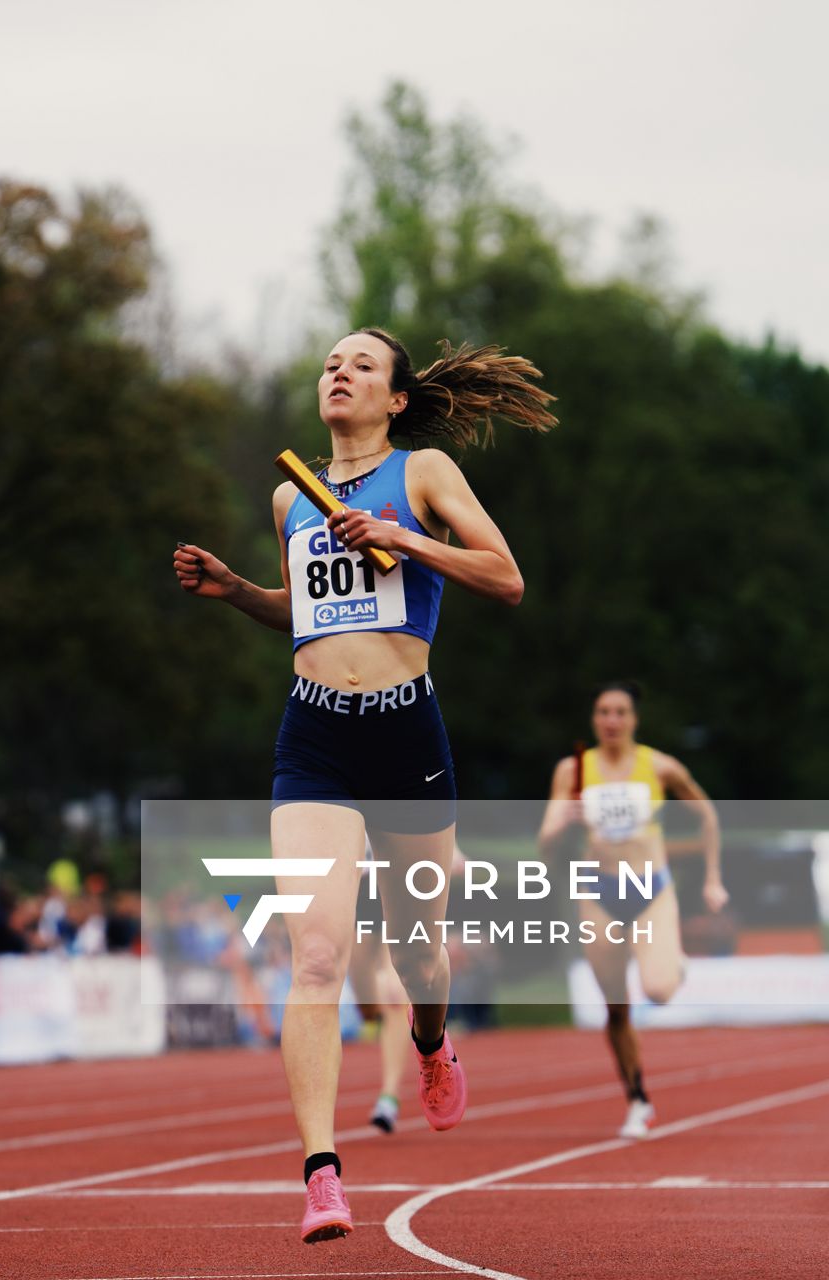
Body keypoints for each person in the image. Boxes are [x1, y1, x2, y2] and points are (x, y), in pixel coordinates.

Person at [174, 328, 554, 1243]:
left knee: (418, 956)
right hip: (314, 740)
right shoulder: (290, 495)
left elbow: (506, 579)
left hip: (405, 736)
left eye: (362, 366)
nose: (339, 373)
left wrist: (401, 538)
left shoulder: (422, 473)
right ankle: (322, 1176)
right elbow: (307, 616)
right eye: (330, 364)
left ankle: (430, 1042)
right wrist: (238, 592)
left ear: (395, 398)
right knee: (317, 955)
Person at [538, 681, 726, 1140]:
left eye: (620, 712)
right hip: (597, 893)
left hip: (650, 889)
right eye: (603, 712)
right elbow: (545, 846)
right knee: (617, 1009)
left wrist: (712, 878)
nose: (611, 720)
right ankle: (638, 1099)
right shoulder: (573, 771)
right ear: (594, 719)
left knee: (658, 990)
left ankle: (673, 964)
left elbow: (707, 814)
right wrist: (564, 821)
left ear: (634, 719)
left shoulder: (660, 766)